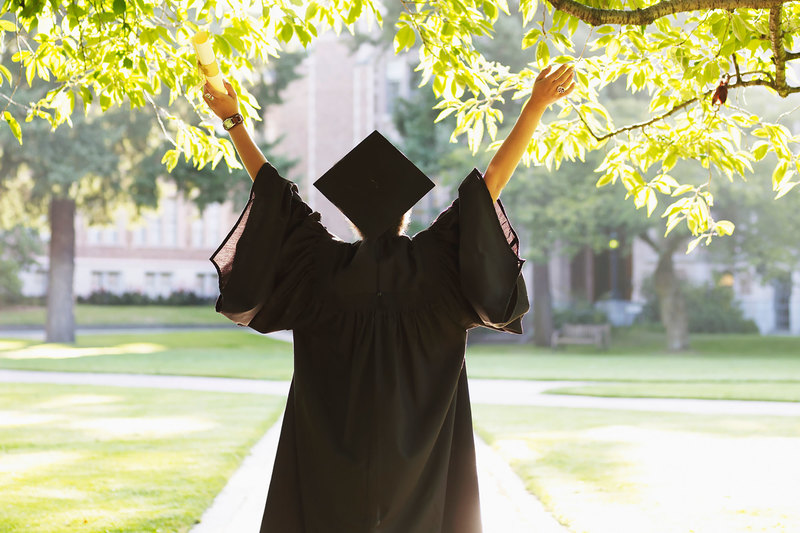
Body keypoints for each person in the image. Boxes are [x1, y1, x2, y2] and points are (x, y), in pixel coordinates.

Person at [203, 63, 575, 533]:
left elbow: (275, 194)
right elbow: (492, 182)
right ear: (406, 214)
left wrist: (233, 121)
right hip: (422, 466)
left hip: (331, 467)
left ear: (353, 219)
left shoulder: (317, 270)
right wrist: (536, 105)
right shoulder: (440, 267)